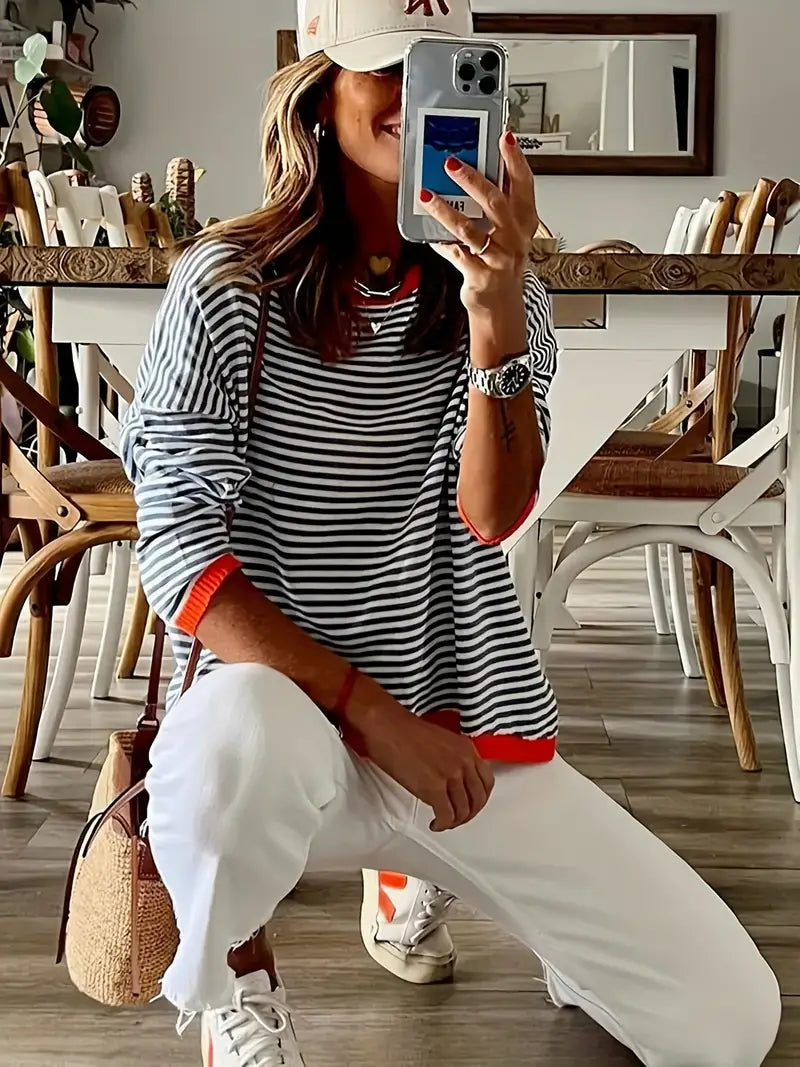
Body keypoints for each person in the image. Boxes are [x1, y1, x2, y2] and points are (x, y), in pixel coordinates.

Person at [121, 1, 781, 1064]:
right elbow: (179, 554)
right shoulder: (227, 287)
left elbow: (493, 514)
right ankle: (235, 979)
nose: (415, 99)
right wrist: (375, 716)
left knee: (729, 1022)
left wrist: (493, 316)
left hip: (459, 736)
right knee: (239, 731)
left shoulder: (506, 288)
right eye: (386, 69)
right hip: (289, 730)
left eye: (442, 70)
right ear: (320, 93)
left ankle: (517, 926)